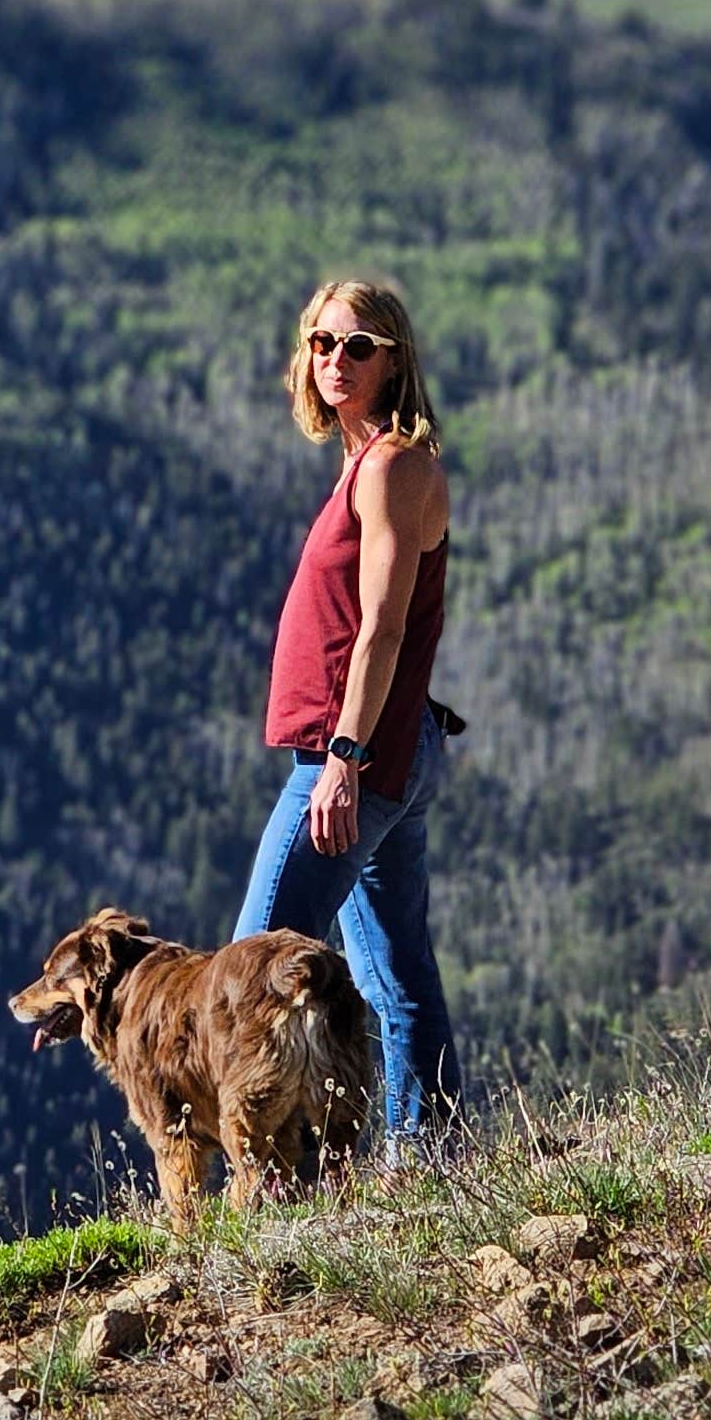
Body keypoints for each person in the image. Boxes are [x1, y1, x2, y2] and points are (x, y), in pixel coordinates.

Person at [229, 277, 459, 1159]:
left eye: (358, 345)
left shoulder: (397, 465)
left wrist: (342, 758)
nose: (335, 361)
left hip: (358, 760)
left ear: (394, 358)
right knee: (396, 977)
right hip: (380, 756)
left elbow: (383, 626)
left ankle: (275, 1177)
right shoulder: (367, 463)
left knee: (249, 973)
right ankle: (429, 1163)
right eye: (321, 343)